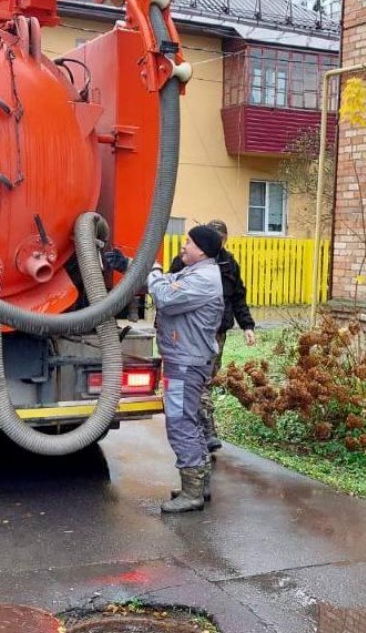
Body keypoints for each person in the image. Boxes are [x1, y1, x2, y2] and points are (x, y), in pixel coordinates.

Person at [103, 225, 224, 513]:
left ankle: (193, 492)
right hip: (184, 358)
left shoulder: (205, 279)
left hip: (186, 361)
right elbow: (164, 282)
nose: (183, 246)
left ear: (203, 250)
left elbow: (165, 295)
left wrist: (153, 269)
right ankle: (198, 485)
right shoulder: (193, 273)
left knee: (180, 422)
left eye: (188, 242)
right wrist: (129, 265)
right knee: (190, 421)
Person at [169, 219, 255, 454]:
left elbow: (238, 297)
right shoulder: (184, 262)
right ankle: (207, 430)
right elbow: (169, 293)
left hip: (217, 333)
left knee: (206, 380)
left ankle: (203, 431)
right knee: (199, 382)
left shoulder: (229, 264)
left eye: (222, 237)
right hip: (190, 333)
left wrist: (247, 326)